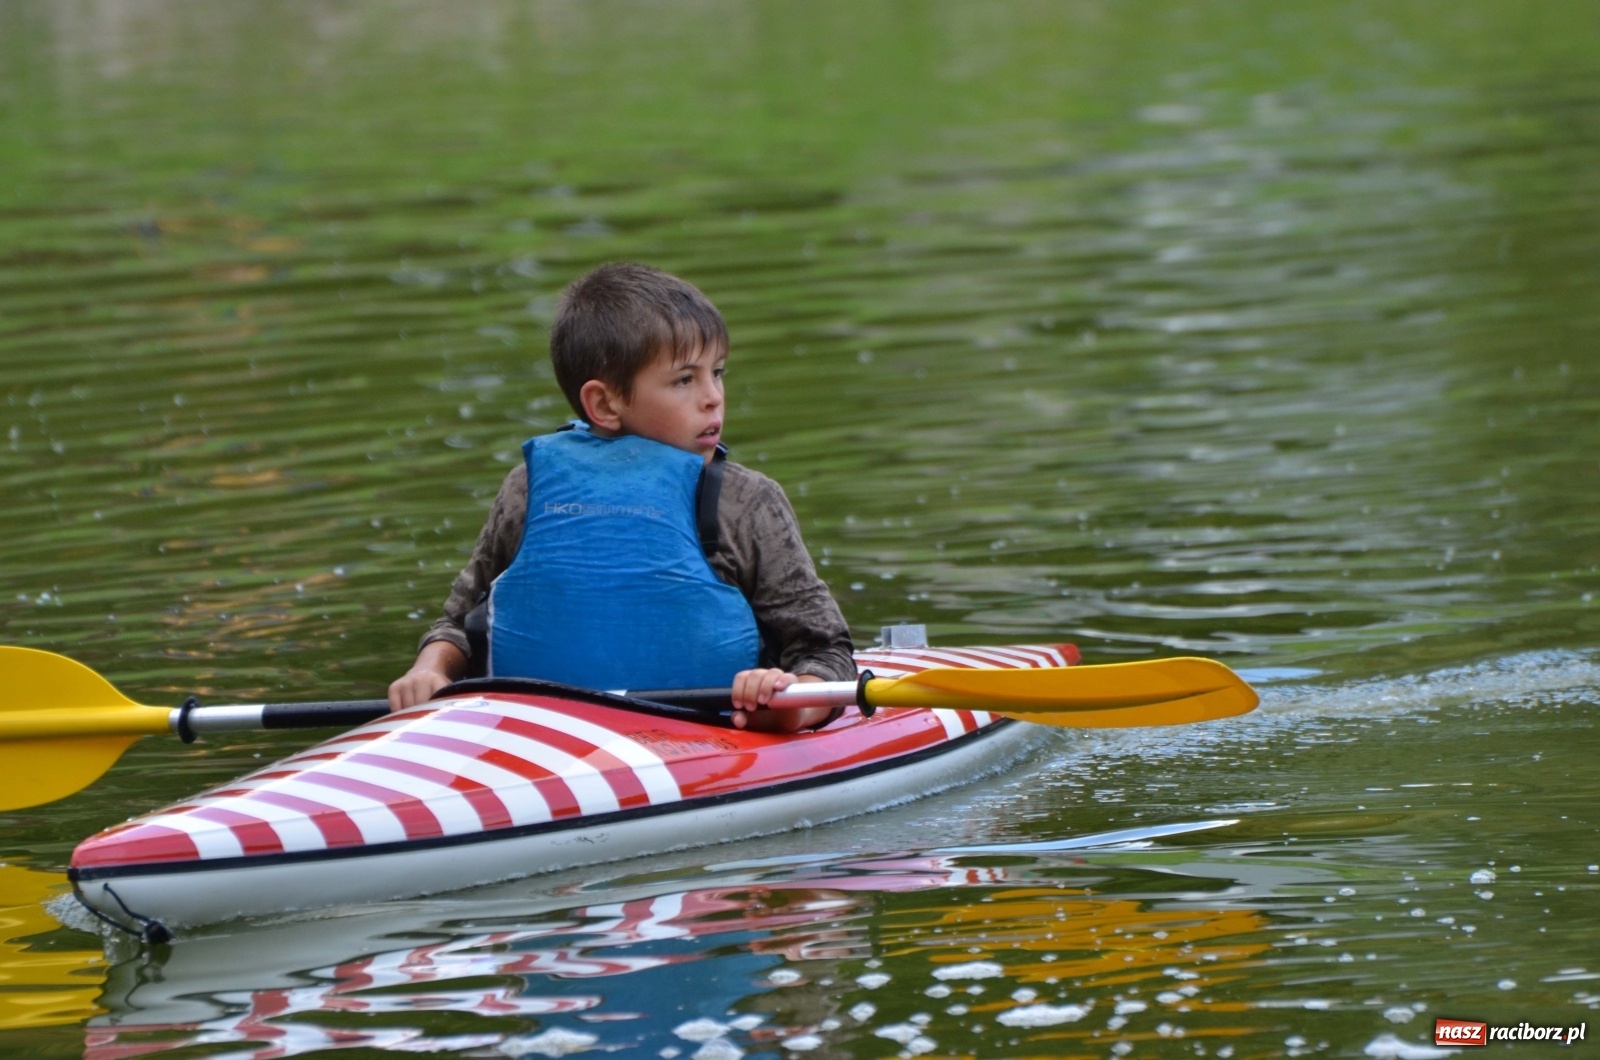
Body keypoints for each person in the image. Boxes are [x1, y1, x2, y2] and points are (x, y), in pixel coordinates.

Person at [387, 263, 854, 732]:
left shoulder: (746, 502)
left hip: (712, 734)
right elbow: (458, 626)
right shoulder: (527, 491)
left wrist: (792, 702)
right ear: (606, 404)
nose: (713, 397)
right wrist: (429, 670)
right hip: (539, 739)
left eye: (717, 373)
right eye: (684, 380)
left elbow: (825, 651)